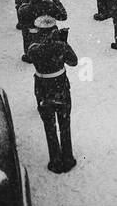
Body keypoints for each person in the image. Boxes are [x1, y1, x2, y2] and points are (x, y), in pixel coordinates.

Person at [26, 17, 78, 173]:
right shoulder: (61, 46)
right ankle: (67, 158)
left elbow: (33, 55)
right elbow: (73, 62)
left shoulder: (33, 48)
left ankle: (55, 160)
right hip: (60, 87)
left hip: (43, 89)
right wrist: (63, 42)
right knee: (64, 123)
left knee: (49, 125)